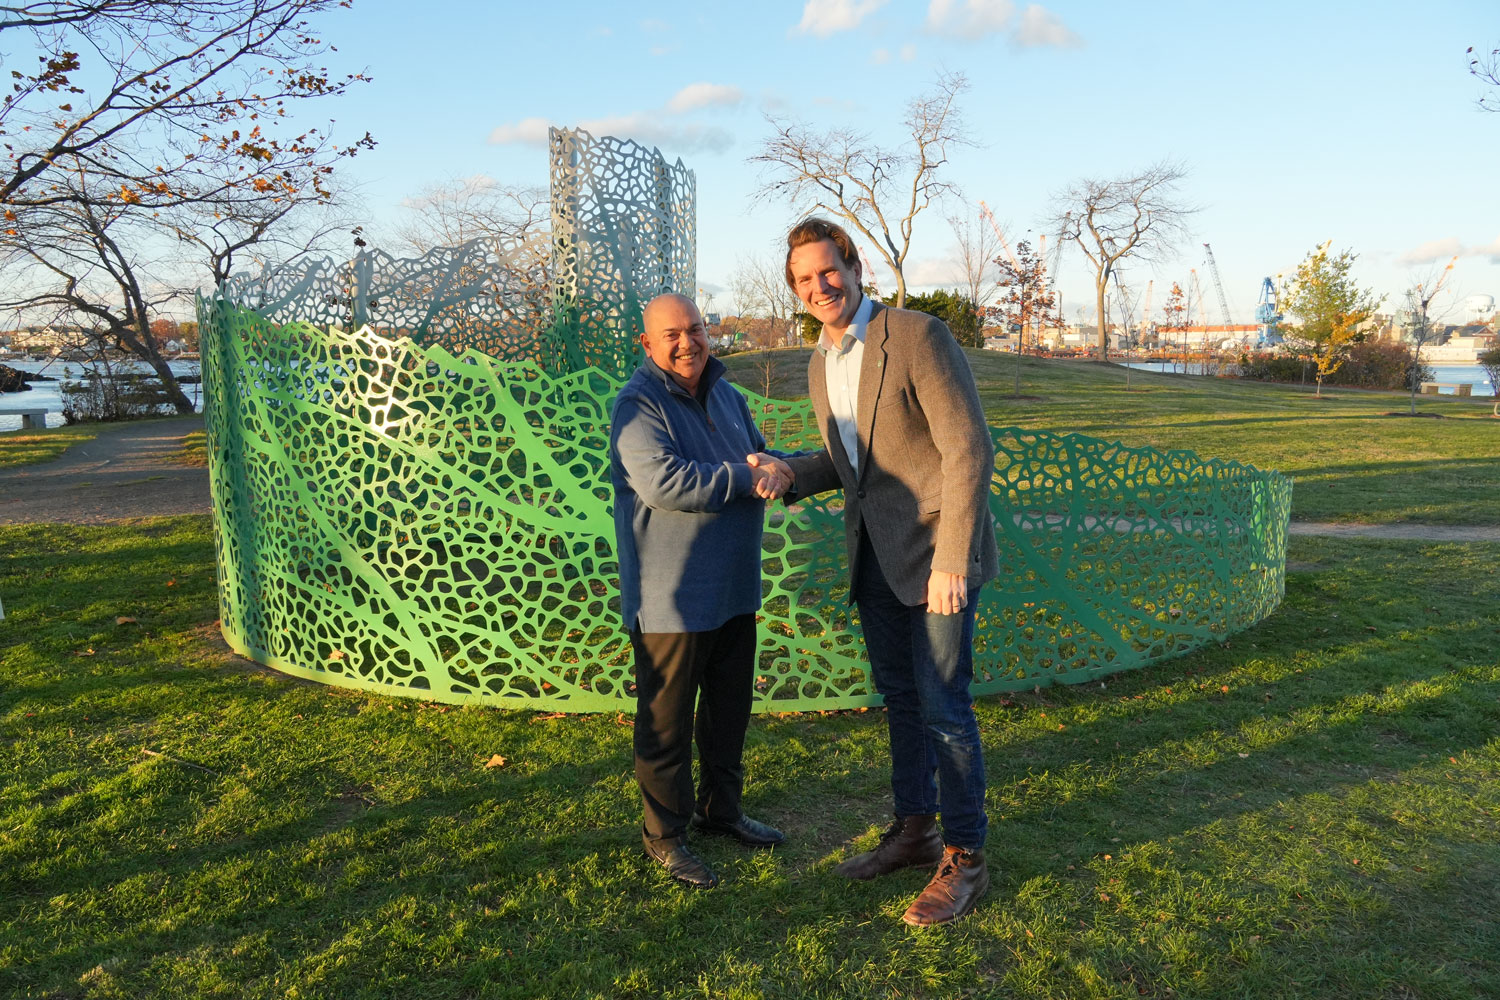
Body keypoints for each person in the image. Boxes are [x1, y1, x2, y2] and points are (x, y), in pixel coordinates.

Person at [755, 217, 999, 926]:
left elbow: (969, 450)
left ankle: (967, 858)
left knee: (944, 707)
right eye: (804, 279)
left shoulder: (918, 336)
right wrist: (789, 471)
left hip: (936, 558)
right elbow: (848, 464)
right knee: (899, 701)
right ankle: (915, 831)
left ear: (855, 266)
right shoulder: (819, 361)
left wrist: (955, 558)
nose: (819, 286)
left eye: (828, 270)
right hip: (874, 555)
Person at [609, 291, 796, 890]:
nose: (687, 341)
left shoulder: (727, 394)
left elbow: (759, 456)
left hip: (734, 588)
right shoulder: (637, 405)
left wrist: (795, 469)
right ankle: (664, 836)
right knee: (666, 724)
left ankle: (723, 811)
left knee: (727, 712)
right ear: (647, 343)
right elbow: (665, 482)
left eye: (695, 329)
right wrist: (749, 475)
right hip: (673, 596)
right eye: (672, 334)